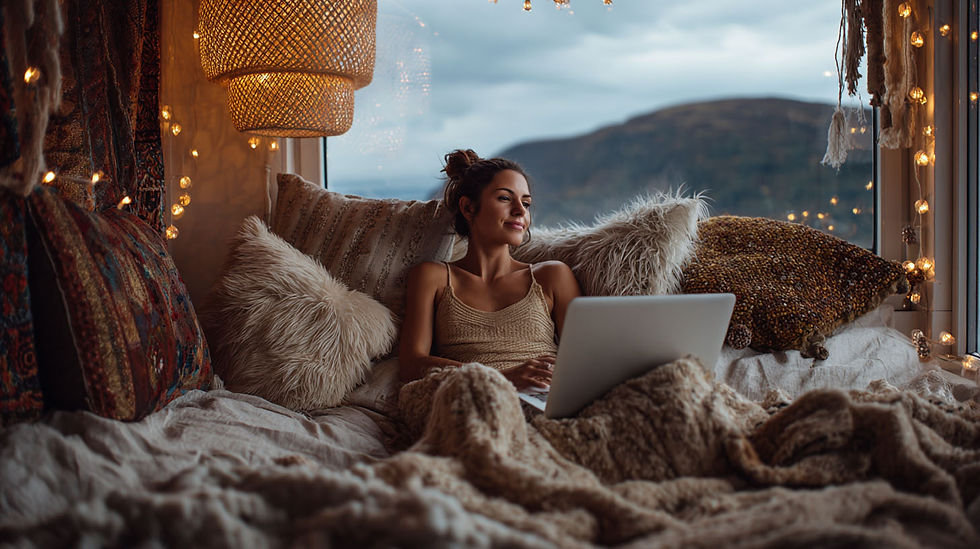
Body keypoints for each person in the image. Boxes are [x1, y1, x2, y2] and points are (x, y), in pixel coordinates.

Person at [399, 149, 581, 390]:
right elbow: (412, 364)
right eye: (505, 198)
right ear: (468, 208)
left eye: (526, 203)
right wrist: (502, 378)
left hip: (543, 399)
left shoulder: (551, 276)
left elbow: (585, 359)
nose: (520, 211)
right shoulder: (434, 277)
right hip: (471, 397)